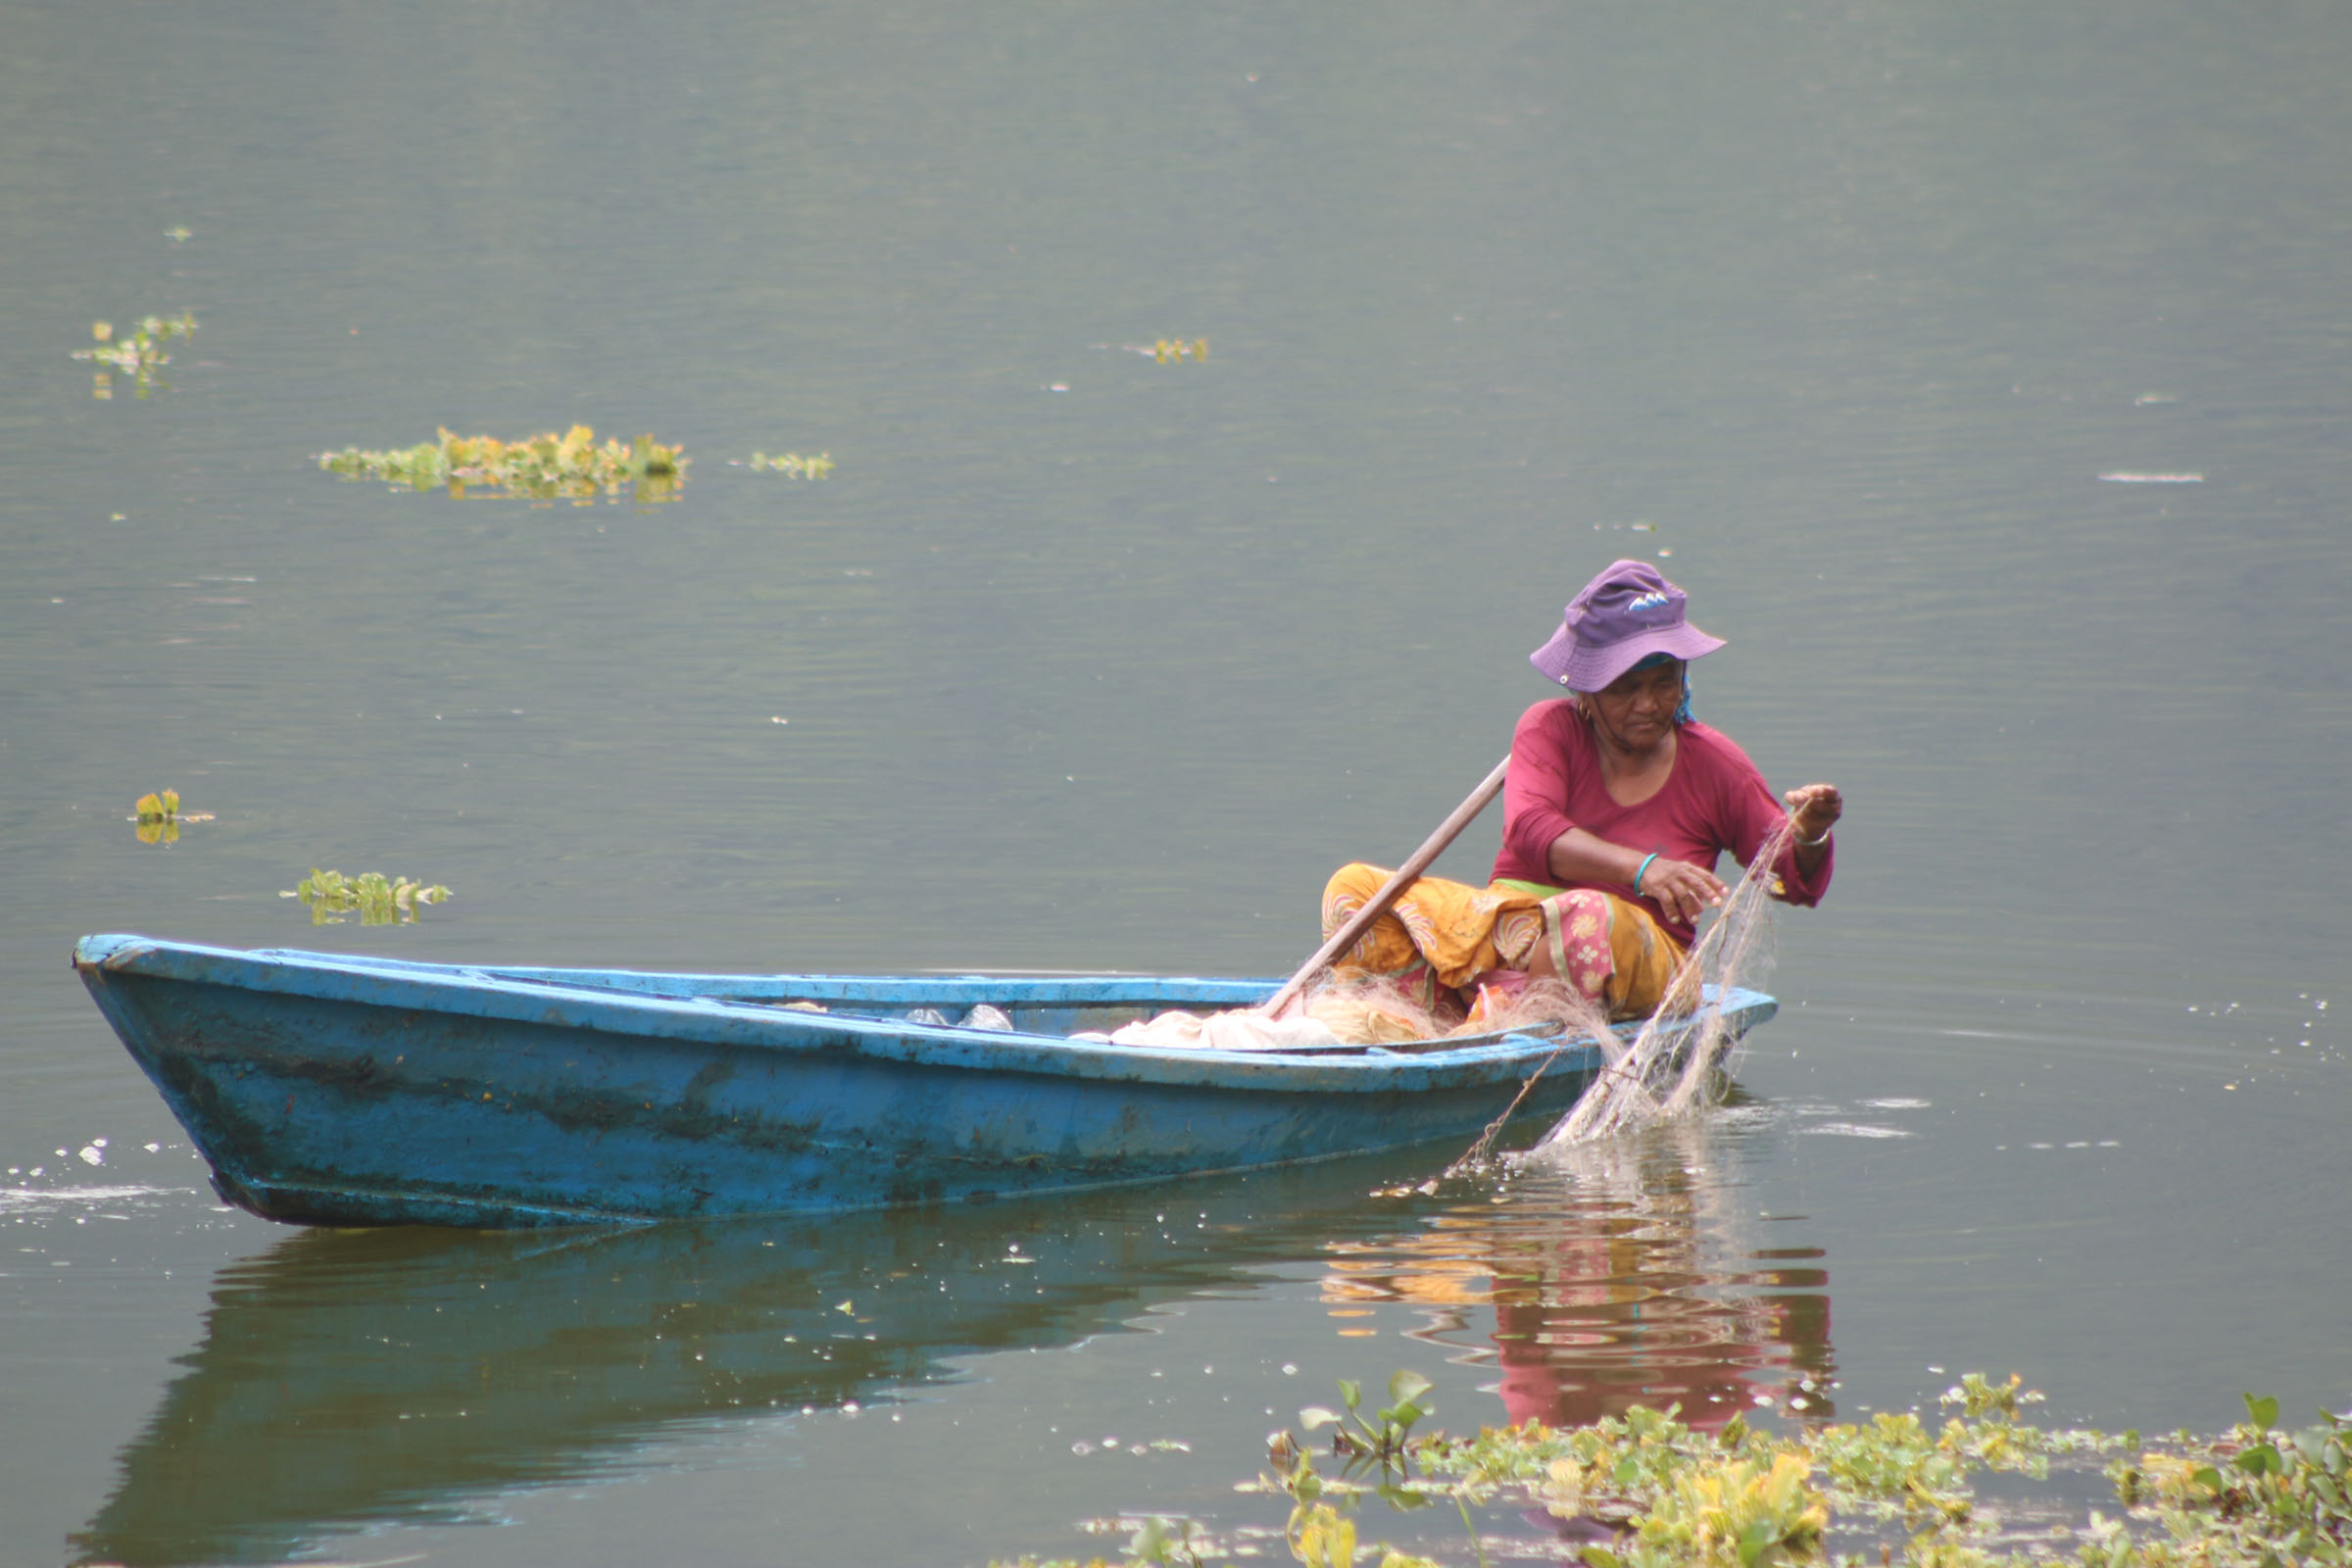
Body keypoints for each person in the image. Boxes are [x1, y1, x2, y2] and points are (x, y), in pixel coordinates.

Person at [1321, 560, 1842, 1021]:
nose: (1648, 704)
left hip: (1640, 962)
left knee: (1588, 916)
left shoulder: (1715, 764)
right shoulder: (1548, 729)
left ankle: (1518, 1032)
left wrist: (1810, 835)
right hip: (1514, 937)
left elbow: (1790, 880)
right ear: (1586, 689)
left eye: (1664, 682)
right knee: (1356, 890)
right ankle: (1426, 1025)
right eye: (1625, 689)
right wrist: (1643, 869)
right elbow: (1530, 831)